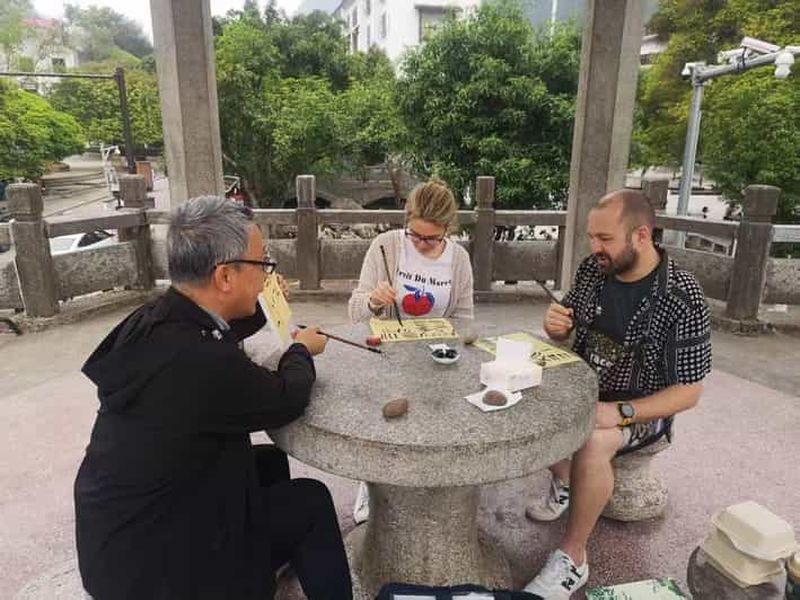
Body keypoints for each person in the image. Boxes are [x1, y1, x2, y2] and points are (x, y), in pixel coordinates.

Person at [74, 196, 352, 600]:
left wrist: (257, 305)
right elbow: (287, 398)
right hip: (160, 575)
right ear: (224, 277)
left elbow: (214, 333)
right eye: (262, 265)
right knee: (310, 502)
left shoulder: (157, 320)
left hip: (121, 543)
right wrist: (301, 351)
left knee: (269, 461)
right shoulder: (204, 363)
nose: (267, 275)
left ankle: (259, 567)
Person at [523, 189, 712, 599]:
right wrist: (555, 326)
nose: (595, 248)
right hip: (582, 385)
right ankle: (565, 481)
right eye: (592, 237)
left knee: (591, 438)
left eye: (605, 239)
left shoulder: (682, 296)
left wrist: (620, 411)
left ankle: (573, 558)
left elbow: (689, 392)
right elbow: (567, 327)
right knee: (520, 392)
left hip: (643, 406)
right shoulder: (594, 270)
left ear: (641, 235)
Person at [348, 179, 475, 523]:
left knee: (435, 422)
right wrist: (375, 301)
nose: (420, 243)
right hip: (390, 354)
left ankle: (434, 483)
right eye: (414, 234)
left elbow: (464, 319)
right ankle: (370, 481)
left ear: (448, 229)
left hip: (436, 355)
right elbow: (354, 309)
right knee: (382, 423)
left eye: (431, 238)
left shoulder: (459, 259)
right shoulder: (386, 246)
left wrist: (453, 343)